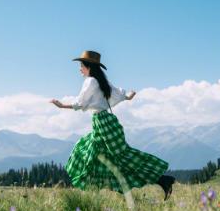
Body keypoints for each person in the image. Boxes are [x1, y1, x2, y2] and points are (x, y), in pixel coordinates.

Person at [50, 50, 175, 200]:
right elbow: (116, 93)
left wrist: (62, 105)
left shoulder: (90, 81)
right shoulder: (100, 79)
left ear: (88, 66)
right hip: (106, 122)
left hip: (102, 123)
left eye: (81, 65)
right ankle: (147, 185)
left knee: (102, 154)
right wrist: (127, 97)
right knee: (110, 157)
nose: (79, 69)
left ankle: (158, 181)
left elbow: (81, 102)